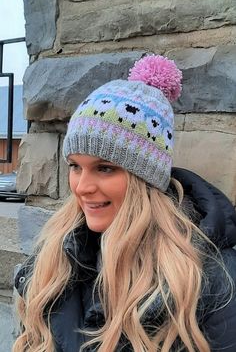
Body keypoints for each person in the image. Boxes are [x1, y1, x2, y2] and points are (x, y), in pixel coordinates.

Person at [13, 55, 236, 352]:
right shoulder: (55, 256)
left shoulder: (208, 278)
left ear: (146, 177)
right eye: (75, 166)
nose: (82, 187)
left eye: (105, 168)